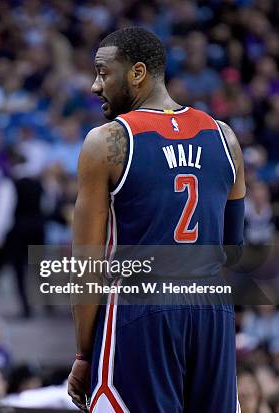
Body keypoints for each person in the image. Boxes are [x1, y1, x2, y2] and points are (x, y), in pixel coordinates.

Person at [67, 27, 245, 412]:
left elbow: (86, 265)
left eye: (103, 72)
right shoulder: (225, 137)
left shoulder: (107, 142)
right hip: (212, 310)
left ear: (138, 73)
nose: (95, 86)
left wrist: (84, 355)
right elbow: (233, 250)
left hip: (140, 308)